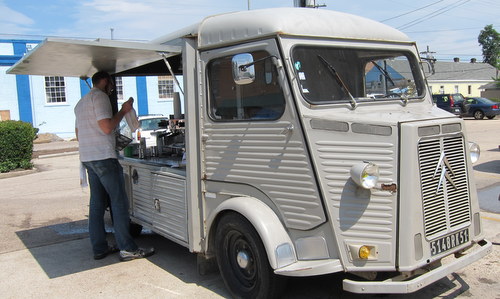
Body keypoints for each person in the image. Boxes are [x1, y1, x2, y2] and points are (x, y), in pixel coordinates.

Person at [75, 71, 155, 261]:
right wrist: (124, 110)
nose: (112, 87)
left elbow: (79, 133)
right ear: (104, 81)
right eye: (111, 83)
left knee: (96, 204)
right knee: (118, 202)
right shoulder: (100, 98)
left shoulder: (81, 103)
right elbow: (106, 127)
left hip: (88, 158)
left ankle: (99, 248)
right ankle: (127, 248)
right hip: (103, 157)